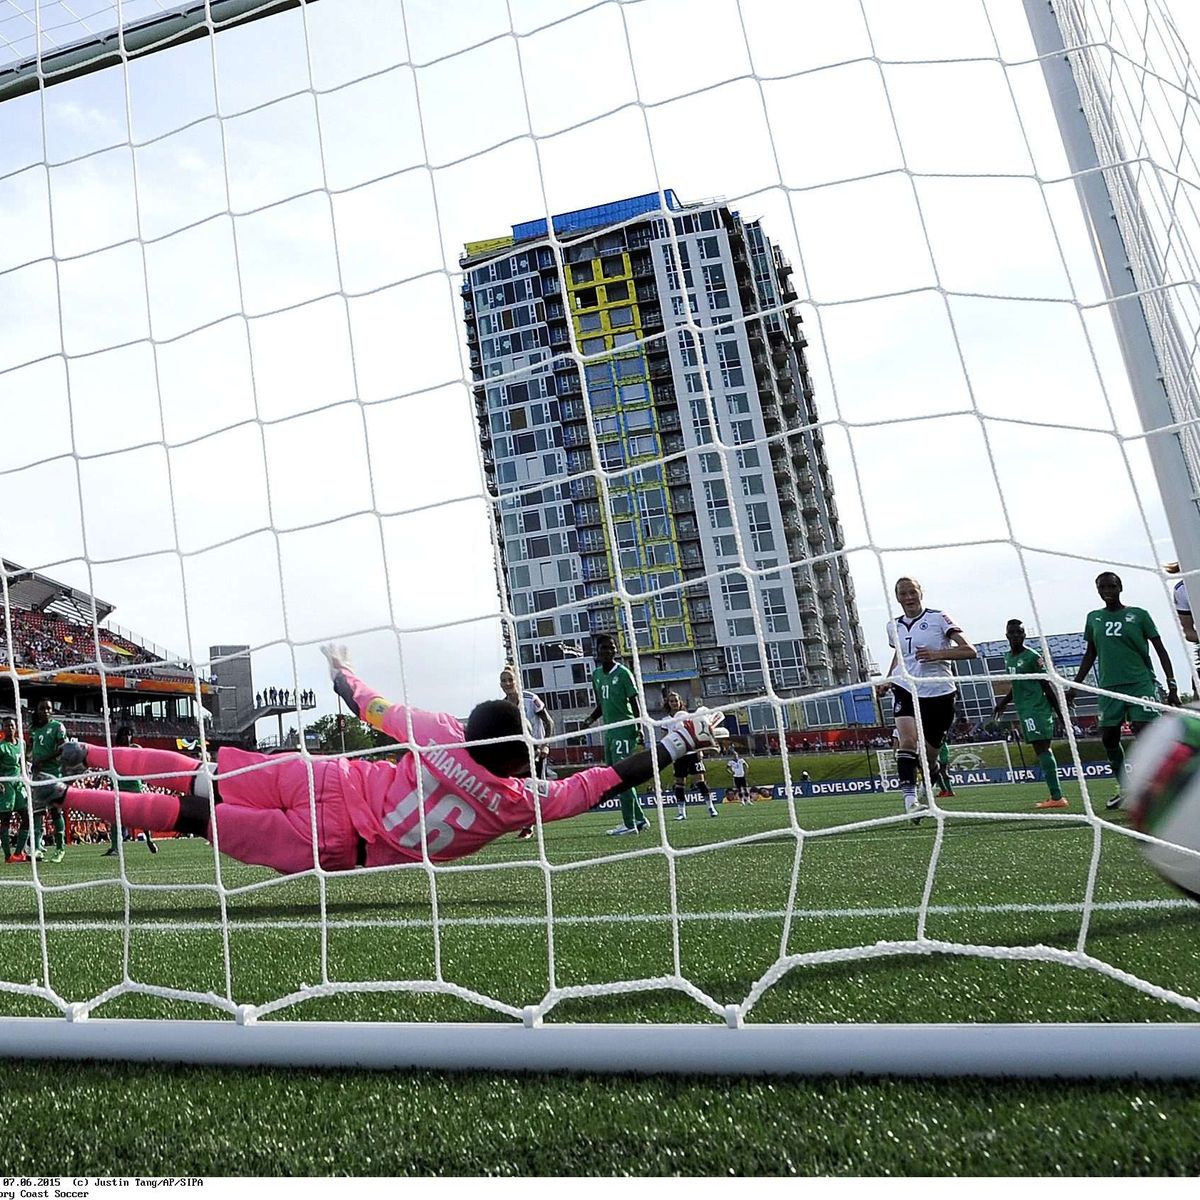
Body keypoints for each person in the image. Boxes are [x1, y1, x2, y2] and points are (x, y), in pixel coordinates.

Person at [54, 644, 728, 873]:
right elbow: (602, 779)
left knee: (198, 770)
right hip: (333, 840)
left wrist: (343, 672)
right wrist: (675, 742)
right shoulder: (516, 800)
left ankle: (77, 751)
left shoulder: (437, 730)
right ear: (522, 764)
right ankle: (61, 793)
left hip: (322, 775)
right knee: (191, 816)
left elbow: (365, 705)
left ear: (468, 731)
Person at [1069, 571, 1180, 810]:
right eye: (1102, 587)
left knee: (1145, 731)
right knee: (1109, 736)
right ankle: (1126, 789)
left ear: (1120, 587)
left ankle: (1159, 786)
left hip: (1140, 682)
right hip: (1109, 686)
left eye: (1111, 586)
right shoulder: (1094, 618)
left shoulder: (1139, 615)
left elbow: (1160, 649)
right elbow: (1091, 653)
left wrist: (1171, 685)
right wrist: (1075, 686)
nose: (1106, 591)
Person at [877, 577, 977, 821]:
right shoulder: (893, 626)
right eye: (903, 593)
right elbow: (900, 656)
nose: (909, 597)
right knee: (907, 741)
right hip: (906, 687)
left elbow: (970, 651)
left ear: (921, 593)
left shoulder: (938, 618)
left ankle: (928, 783)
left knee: (930, 757)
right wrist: (889, 679)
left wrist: (937, 654)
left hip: (938, 691)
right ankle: (910, 802)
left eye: (913, 592)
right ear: (897, 597)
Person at [992, 619, 1068, 810]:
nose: (1016, 635)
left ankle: (1057, 796)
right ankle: (1055, 795)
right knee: (1040, 748)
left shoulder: (1033, 657)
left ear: (1024, 635)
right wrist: (1004, 701)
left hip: (1037, 708)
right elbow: (1017, 684)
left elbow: (1046, 686)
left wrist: (1061, 714)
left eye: (1020, 632)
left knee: (1042, 748)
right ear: (1007, 635)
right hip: (1025, 709)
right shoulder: (1007, 657)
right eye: (1013, 632)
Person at [581, 635, 647, 836]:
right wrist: (590, 720)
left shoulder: (624, 673)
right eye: (603, 648)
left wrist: (639, 726)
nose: (607, 651)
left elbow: (634, 703)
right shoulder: (597, 675)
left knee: (620, 777)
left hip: (624, 730)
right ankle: (639, 819)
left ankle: (629, 824)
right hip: (610, 731)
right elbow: (602, 704)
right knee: (613, 777)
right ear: (597, 652)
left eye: (611, 648)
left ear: (615, 650)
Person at [499, 663, 554, 841]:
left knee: (536, 787)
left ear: (516, 681)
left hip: (537, 750)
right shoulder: (502, 705)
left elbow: (549, 722)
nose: (507, 683)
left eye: (510, 680)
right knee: (518, 789)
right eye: (504, 680)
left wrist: (545, 745)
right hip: (517, 754)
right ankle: (527, 824)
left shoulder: (531, 699)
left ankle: (532, 823)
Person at [102, 725, 158, 856]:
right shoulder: (114, 751)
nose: (127, 737)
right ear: (119, 736)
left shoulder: (135, 748)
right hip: (119, 786)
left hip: (134, 786)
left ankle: (149, 839)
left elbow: (145, 761)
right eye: (125, 734)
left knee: (142, 816)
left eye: (129, 734)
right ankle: (115, 847)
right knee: (115, 817)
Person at [663, 691, 718, 821]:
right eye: (671, 701)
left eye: (676, 700)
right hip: (679, 754)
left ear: (680, 702)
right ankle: (681, 812)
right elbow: (665, 737)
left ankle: (711, 807)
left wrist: (700, 749)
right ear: (668, 703)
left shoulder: (688, 717)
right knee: (679, 782)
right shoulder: (666, 721)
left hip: (692, 753)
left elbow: (697, 733)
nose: (674, 703)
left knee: (700, 781)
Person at [30, 698, 67, 863]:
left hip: (53, 774)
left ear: (52, 711)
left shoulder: (57, 727)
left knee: (55, 811)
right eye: (42, 708)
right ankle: (37, 848)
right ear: (37, 711)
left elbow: (62, 749)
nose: (45, 711)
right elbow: (31, 751)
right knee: (37, 813)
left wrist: (42, 760)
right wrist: (31, 763)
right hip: (38, 776)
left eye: (48, 708)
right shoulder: (34, 730)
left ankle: (60, 849)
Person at [0, 716, 27, 863]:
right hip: (6, 786)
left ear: (16, 727)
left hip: (19, 785)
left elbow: (24, 761)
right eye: (6, 726)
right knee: (5, 820)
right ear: (2, 729)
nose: (9, 728)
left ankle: (18, 853)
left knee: (27, 817)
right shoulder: (1, 747)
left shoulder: (21, 744)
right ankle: (7, 856)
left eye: (11, 725)